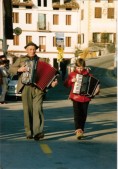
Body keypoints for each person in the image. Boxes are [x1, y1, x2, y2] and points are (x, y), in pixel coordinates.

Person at [9, 42, 58, 140]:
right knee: (28, 110)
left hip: (39, 89)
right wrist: (19, 69)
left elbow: (50, 74)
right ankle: (29, 132)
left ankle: (38, 132)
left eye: (34, 49)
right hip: (25, 87)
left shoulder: (41, 60)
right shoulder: (21, 59)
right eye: (30, 49)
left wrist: (53, 83)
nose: (32, 51)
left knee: (38, 109)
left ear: (36, 50)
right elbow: (11, 69)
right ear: (26, 50)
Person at [64, 58, 93, 140]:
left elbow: (93, 85)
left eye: (81, 68)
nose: (80, 70)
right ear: (75, 67)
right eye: (78, 68)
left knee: (84, 114)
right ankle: (78, 130)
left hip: (86, 98)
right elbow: (66, 84)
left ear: (84, 67)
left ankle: (81, 130)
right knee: (77, 113)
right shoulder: (72, 74)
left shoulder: (89, 75)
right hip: (75, 97)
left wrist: (96, 89)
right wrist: (71, 81)